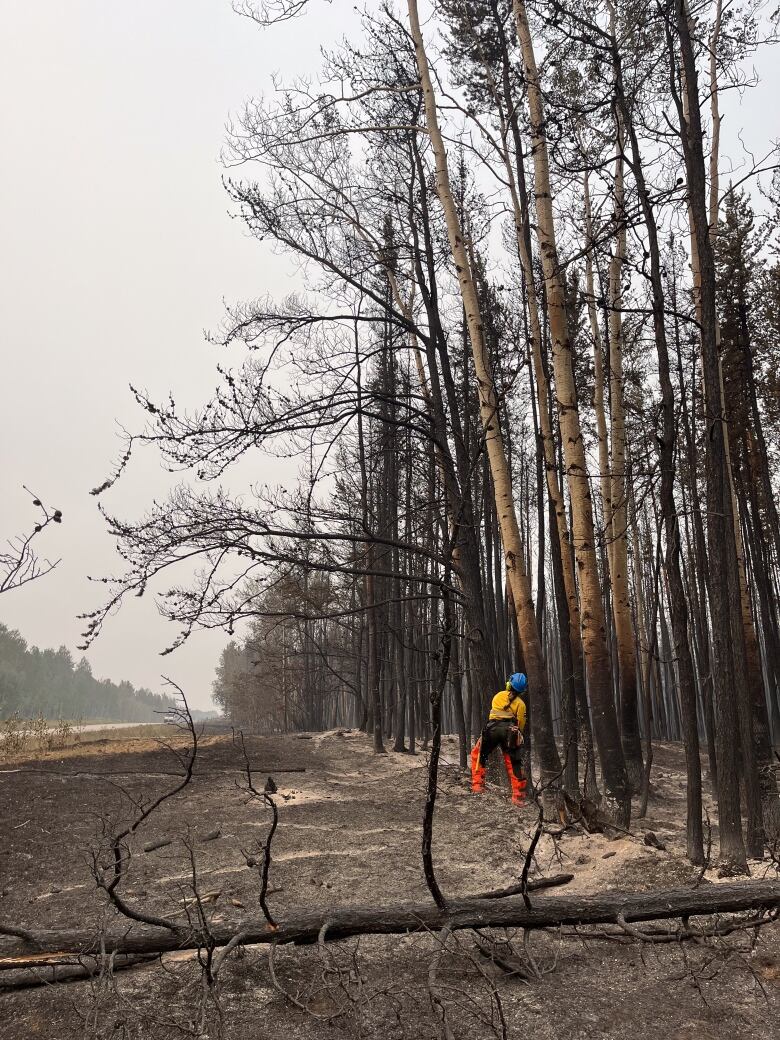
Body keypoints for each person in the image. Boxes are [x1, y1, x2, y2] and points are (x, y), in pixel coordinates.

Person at [469, 673, 528, 804]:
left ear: (509, 684)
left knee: (479, 754)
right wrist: (519, 735)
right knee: (514, 762)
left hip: (492, 729)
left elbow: (494, 712)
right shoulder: (521, 704)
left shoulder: (498, 696)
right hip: (510, 733)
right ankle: (518, 797)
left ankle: (477, 785)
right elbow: (521, 722)